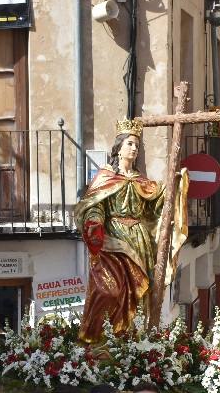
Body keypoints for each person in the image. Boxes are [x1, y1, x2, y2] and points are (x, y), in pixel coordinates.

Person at [75, 119, 188, 342]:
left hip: (138, 241)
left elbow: (157, 205)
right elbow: (94, 205)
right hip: (111, 241)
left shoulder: (141, 181)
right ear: (118, 148)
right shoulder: (104, 178)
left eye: (137, 145)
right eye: (130, 144)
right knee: (108, 291)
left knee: (135, 294)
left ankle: (127, 339)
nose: (134, 148)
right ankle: (98, 339)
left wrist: (176, 184)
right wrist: (95, 222)